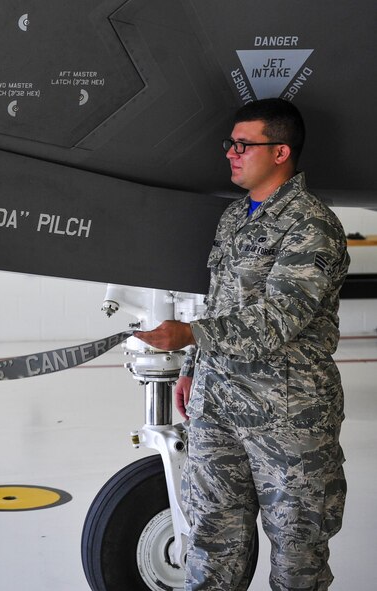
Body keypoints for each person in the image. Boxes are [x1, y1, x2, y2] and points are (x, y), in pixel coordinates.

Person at [134, 98, 349, 590]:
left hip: (287, 415)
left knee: (297, 552)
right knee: (211, 538)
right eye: (230, 144)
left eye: (243, 145)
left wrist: (192, 335)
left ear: (280, 152)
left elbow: (279, 318)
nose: (230, 153)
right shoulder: (234, 216)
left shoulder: (311, 224)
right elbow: (219, 303)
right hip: (218, 406)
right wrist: (192, 366)